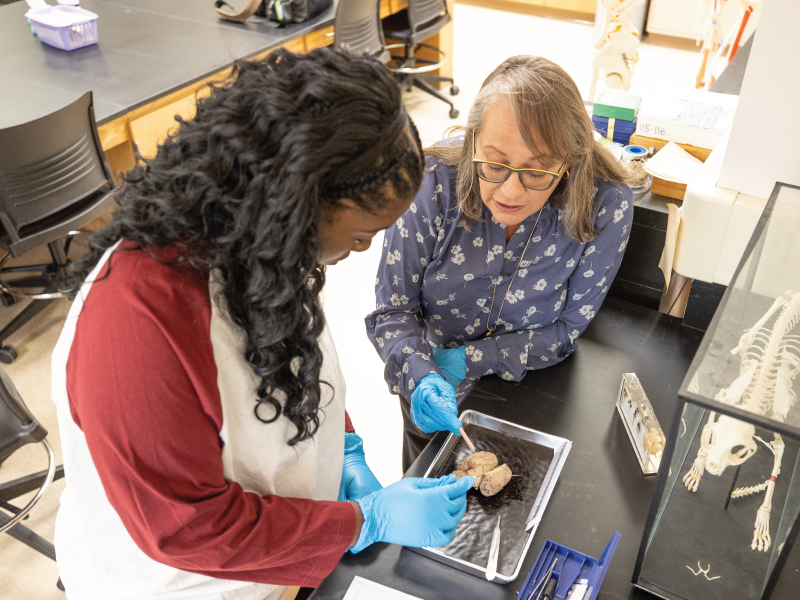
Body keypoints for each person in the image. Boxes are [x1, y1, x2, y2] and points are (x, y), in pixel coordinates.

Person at [51, 48, 473, 600]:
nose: (363, 248)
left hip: (278, 559)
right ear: (296, 201)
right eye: (361, 233)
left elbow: (293, 355)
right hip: (182, 585)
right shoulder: (136, 323)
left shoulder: (262, 244)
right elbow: (189, 528)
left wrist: (341, 447)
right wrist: (359, 522)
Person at [366, 55, 635, 470]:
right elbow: (392, 311)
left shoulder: (605, 203)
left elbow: (566, 329)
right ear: (473, 140)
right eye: (494, 164)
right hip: (427, 382)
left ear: (569, 162)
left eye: (538, 170)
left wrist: (469, 359)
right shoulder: (433, 181)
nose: (510, 190)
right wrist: (420, 377)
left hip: (529, 396)